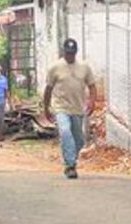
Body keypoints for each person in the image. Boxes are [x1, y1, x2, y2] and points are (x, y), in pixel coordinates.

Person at [42, 38, 97, 179]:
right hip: (61, 108)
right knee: (65, 132)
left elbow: (92, 86)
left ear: (76, 52)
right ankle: (70, 165)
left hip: (78, 108)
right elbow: (48, 89)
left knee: (79, 140)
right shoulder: (55, 67)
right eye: (67, 53)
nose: (70, 56)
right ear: (63, 52)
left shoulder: (84, 67)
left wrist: (92, 102)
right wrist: (46, 108)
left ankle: (71, 158)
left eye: (72, 53)